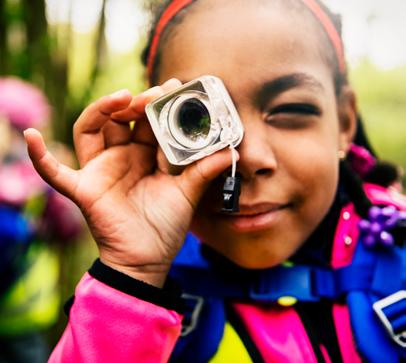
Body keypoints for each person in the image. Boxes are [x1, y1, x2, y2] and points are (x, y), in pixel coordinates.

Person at [24, 0, 406, 362]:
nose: (250, 157)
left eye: (290, 109)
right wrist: (131, 277)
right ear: (156, 125)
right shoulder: (141, 286)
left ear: (343, 121)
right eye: (197, 119)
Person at [0, 77, 83, 363]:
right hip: (26, 311)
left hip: (22, 313)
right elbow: (70, 229)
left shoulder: (38, 178)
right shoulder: (41, 177)